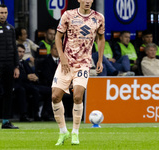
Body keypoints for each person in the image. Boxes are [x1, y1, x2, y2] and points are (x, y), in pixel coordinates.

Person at [52, 0, 105, 145]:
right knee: (55, 96)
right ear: (79, 0)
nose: (87, 1)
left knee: (77, 96)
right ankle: (63, 132)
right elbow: (58, 36)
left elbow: (101, 38)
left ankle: (75, 133)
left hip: (83, 64)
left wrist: (100, 60)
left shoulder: (99, 17)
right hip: (66, 64)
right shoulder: (68, 15)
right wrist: (62, 57)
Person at [14, 44, 43, 122]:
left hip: (25, 84)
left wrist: (35, 77)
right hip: (15, 84)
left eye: (23, 52)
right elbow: (13, 77)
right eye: (19, 51)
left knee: (35, 90)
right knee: (21, 90)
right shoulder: (12, 63)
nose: (21, 54)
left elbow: (31, 72)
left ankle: (36, 115)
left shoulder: (24, 62)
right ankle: (23, 115)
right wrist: (26, 77)